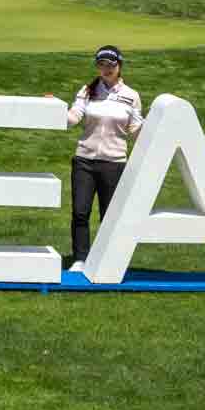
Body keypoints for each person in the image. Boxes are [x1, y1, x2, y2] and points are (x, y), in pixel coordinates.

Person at [63, 45, 144, 272]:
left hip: (114, 163)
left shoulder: (131, 96)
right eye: (101, 65)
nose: (106, 69)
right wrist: (54, 110)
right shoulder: (88, 91)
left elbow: (136, 129)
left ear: (119, 66)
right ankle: (80, 259)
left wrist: (152, 135)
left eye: (111, 65)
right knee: (80, 211)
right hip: (84, 161)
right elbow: (73, 117)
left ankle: (107, 261)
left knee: (110, 215)